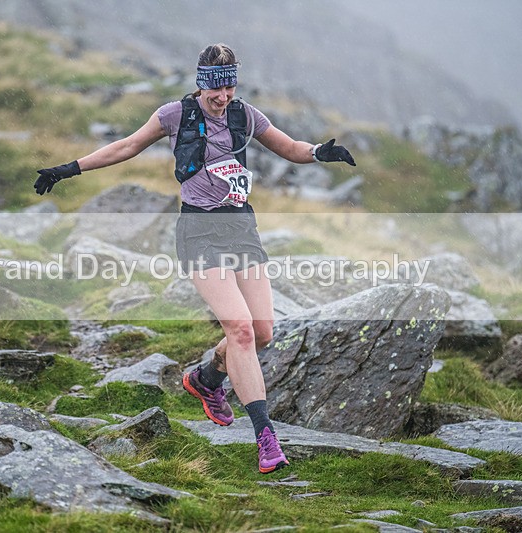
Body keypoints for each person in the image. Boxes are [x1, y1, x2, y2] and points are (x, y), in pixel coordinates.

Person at [34, 43, 356, 473]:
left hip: (241, 229)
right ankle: (266, 438)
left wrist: (320, 152)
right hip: (199, 232)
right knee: (240, 330)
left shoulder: (246, 115)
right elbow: (126, 146)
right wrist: (66, 169)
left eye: (229, 88)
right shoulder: (174, 115)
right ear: (200, 84)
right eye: (214, 90)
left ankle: (206, 379)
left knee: (262, 332)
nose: (222, 98)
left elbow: (290, 147)